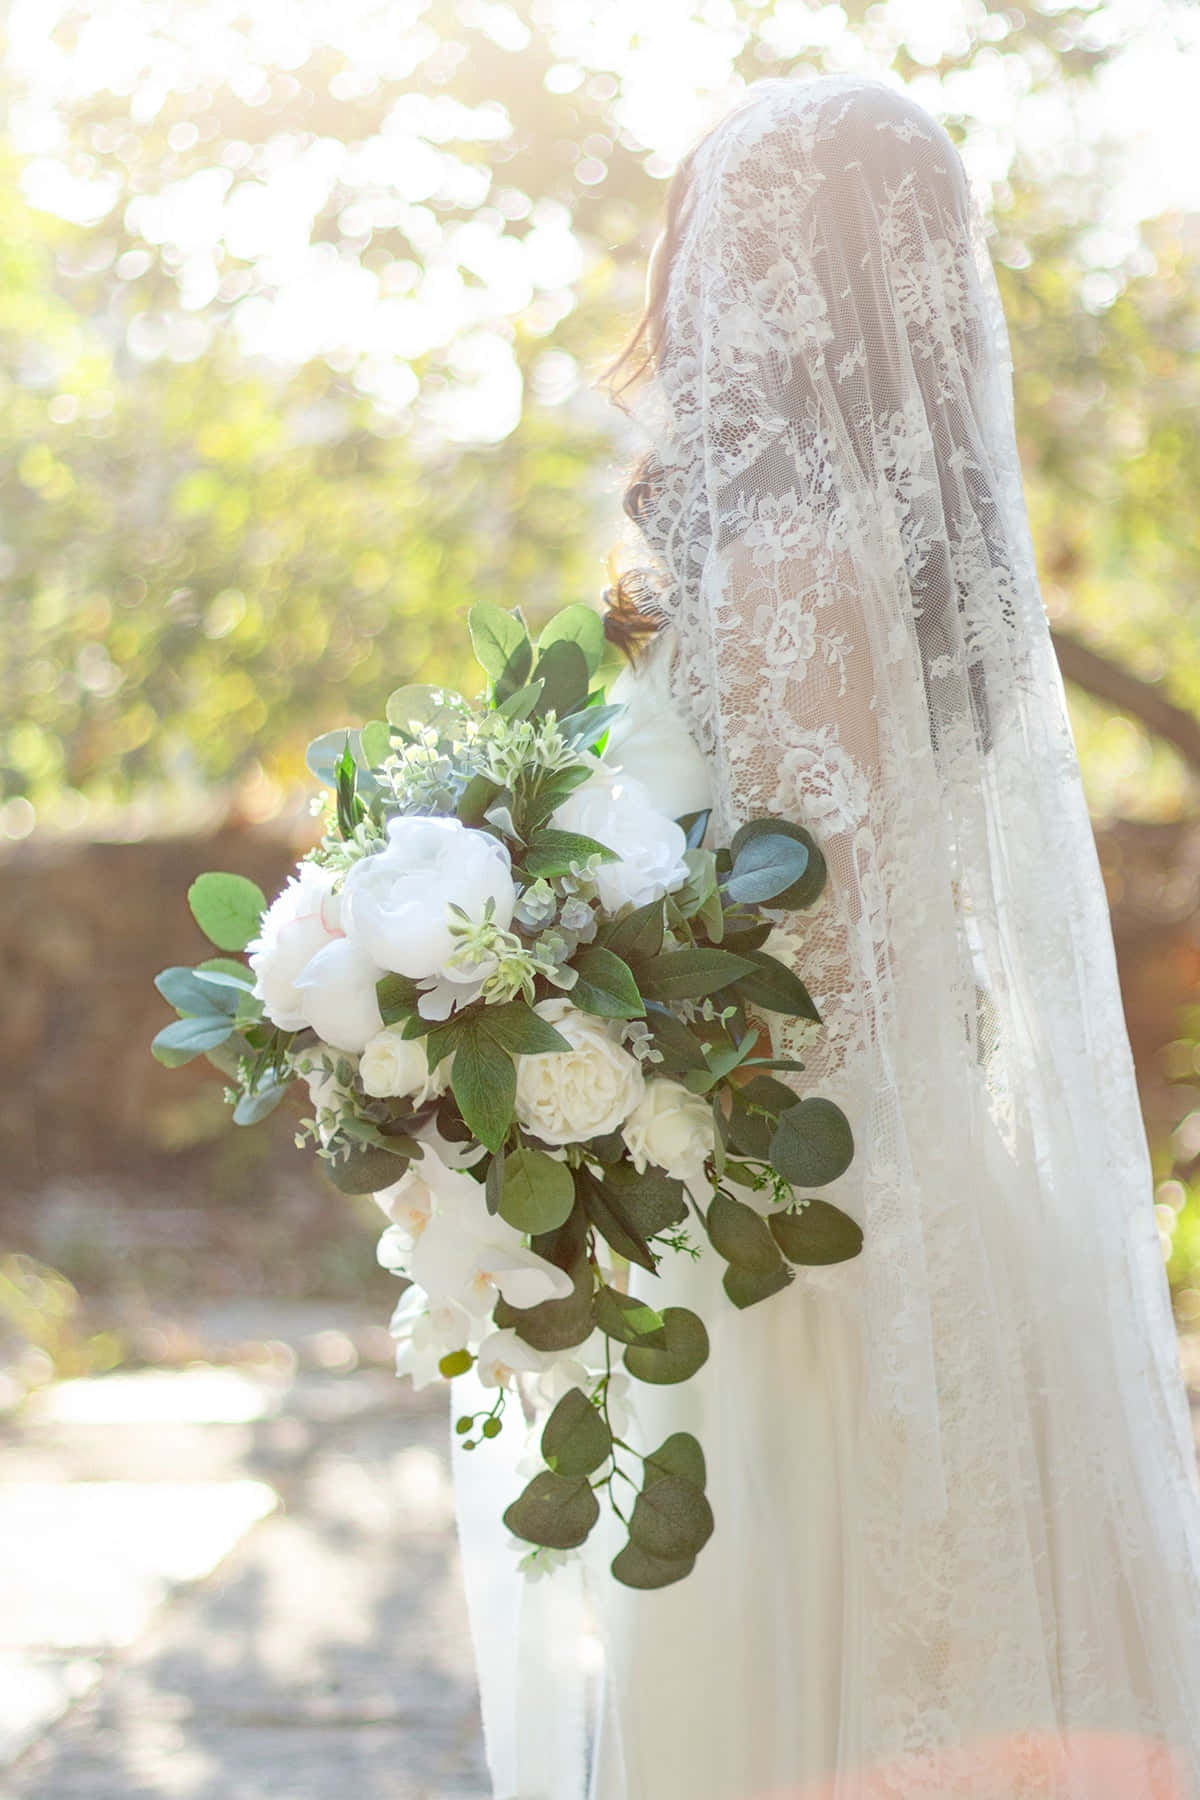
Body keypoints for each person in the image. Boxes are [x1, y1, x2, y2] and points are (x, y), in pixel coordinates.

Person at [450, 73, 1200, 1799]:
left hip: (814, 1219)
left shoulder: (792, 556)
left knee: (818, 1696)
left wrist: (557, 994)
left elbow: (809, 931)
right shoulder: (913, 554)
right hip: (899, 1166)